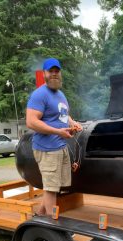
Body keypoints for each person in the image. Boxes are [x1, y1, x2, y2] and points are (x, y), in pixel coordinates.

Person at [26, 57, 82, 216]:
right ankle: (54, 226)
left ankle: (40, 216)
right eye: (51, 71)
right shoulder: (39, 94)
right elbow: (31, 122)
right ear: (44, 73)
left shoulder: (60, 94)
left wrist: (73, 123)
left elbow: (63, 115)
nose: (54, 74)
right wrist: (58, 132)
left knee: (54, 187)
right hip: (47, 149)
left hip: (60, 146)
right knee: (50, 188)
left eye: (57, 71)